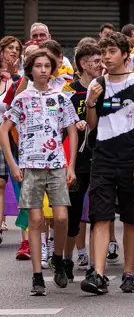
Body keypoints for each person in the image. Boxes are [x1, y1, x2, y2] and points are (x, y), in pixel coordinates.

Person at [80, 32, 134, 296]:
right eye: (103, 52)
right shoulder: (97, 84)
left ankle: (128, 273)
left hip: (130, 158)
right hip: (102, 158)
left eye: (111, 51)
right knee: (100, 216)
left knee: (130, 217)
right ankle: (99, 274)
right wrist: (91, 101)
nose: (106, 57)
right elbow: (92, 124)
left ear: (125, 54)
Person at [0, 49, 80, 295]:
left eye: (47, 66)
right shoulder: (22, 98)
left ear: (53, 68)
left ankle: (57, 258)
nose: (43, 70)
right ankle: (37, 275)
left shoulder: (62, 97)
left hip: (57, 165)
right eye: (38, 66)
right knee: (35, 221)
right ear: (30, 70)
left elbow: (73, 131)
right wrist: (13, 164)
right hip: (30, 167)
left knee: (62, 218)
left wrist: (71, 165)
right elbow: (4, 130)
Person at [60, 42, 102, 280]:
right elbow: (57, 124)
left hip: (102, 158)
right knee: (72, 215)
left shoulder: (105, 88)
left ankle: (95, 267)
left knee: (99, 216)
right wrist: (72, 125)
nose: (101, 64)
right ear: (83, 64)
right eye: (96, 61)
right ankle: (66, 260)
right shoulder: (69, 90)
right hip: (76, 161)